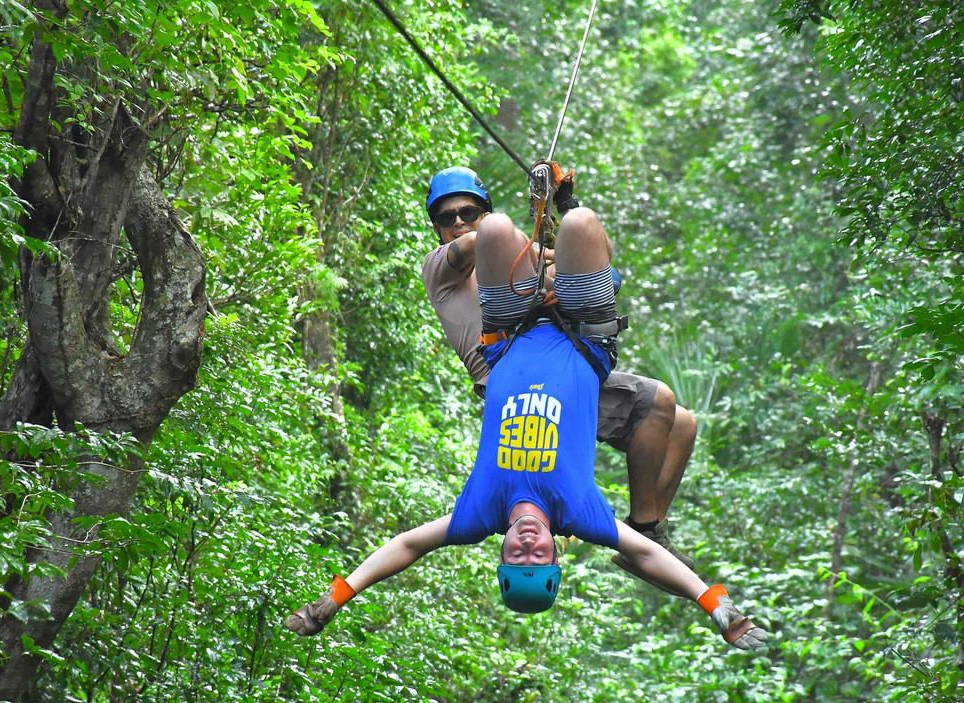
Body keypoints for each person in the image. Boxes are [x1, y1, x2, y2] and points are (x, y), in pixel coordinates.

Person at [286, 182, 766, 650]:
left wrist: (334, 598)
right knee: (581, 223)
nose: (529, 546)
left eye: (519, 557)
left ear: (501, 552)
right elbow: (643, 553)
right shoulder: (579, 513)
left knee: (496, 230)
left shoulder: (480, 513)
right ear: (557, 553)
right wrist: (715, 604)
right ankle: (649, 521)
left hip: (508, 336)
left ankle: (545, 226)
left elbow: (408, 545)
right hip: (584, 341)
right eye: (539, 557)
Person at [419, 166, 698, 580]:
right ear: (437, 229)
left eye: (468, 212)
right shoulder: (439, 268)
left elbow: (605, 272)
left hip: (558, 362)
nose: (458, 222)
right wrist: (540, 240)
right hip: (515, 385)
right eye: (447, 218)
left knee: (683, 424)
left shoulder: (517, 265)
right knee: (659, 403)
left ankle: (648, 526)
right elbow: (479, 241)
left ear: (483, 211)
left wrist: (565, 207)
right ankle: (642, 535)